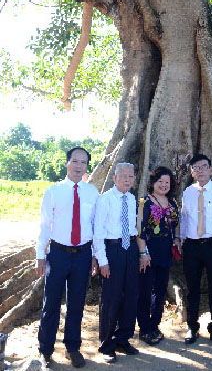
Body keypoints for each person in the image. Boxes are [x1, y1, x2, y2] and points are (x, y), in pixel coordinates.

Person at [35, 147, 98, 369]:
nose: (79, 166)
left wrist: (95, 256)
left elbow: (95, 227)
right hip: (58, 254)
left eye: (83, 162)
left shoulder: (92, 192)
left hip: (82, 255)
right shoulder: (53, 191)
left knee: (76, 304)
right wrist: (39, 256)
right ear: (67, 163)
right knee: (51, 303)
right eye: (75, 161)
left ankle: (73, 348)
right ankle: (45, 350)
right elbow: (44, 225)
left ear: (86, 166)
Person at [180, 154, 212, 349]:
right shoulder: (188, 192)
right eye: (196, 168)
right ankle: (192, 326)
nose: (200, 170)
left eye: (204, 166)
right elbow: (185, 218)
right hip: (192, 246)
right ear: (192, 172)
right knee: (192, 289)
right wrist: (182, 238)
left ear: (211, 169)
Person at [93, 162, 139, 363]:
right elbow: (98, 232)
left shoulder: (132, 198)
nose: (128, 180)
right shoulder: (105, 199)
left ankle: (123, 338)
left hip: (131, 250)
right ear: (114, 178)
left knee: (130, 295)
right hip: (112, 249)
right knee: (111, 298)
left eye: (131, 176)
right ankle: (106, 344)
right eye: (124, 176)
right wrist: (102, 260)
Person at [137, 166, 180, 345]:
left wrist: (177, 238)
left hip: (165, 252)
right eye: (160, 181)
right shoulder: (144, 203)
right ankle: (144, 328)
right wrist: (143, 253)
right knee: (145, 291)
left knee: (160, 290)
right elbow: (140, 230)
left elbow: (176, 223)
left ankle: (154, 325)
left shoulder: (173, 203)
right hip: (148, 253)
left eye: (167, 182)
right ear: (153, 182)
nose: (163, 185)